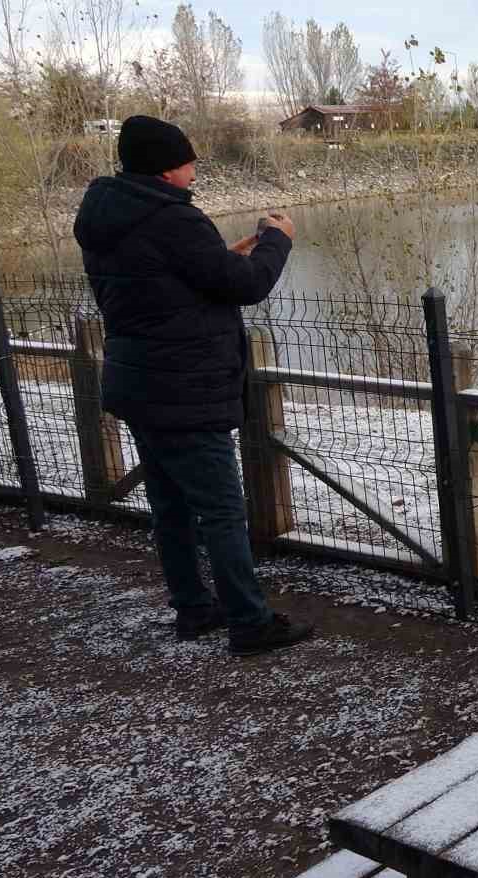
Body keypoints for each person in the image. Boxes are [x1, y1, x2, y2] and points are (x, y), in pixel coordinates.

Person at [72, 115, 314, 656]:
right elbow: (248, 287)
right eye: (188, 162)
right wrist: (277, 242)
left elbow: (159, 287)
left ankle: (194, 608)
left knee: (170, 505)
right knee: (222, 509)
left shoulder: (107, 216)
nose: (194, 170)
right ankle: (250, 622)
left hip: (139, 381)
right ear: (166, 168)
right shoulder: (174, 221)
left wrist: (218, 257)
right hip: (186, 387)